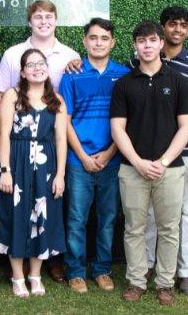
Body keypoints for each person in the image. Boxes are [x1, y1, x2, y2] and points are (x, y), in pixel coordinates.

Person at [110, 20, 188, 306]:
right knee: (134, 227)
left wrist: (163, 160)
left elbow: (186, 127)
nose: (147, 46)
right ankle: (136, 281)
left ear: (161, 44)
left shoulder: (179, 82)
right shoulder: (123, 84)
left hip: (170, 170)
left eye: (152, 40)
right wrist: (137, 162)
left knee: (169, 228)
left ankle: (164, 283)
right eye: (141, 41)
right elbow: (118, 128)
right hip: (131, 169)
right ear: (135, 45)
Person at [134, 6, 188, 295]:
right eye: (171, 24)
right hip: (150, 150)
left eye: (182, 25)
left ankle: (184, 272)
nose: (177, 30)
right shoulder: (141, 59)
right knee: (153, 214)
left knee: (185, 213)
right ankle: (150, 265)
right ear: (162, 29)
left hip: (186, 151)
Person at [59, 18, 129, 294]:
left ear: (112, 42)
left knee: (107, 218)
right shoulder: (72, 76)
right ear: (85, 41)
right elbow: (65, 120)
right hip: (78, 161)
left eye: (104, 38)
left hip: (111, 160)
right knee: (76, 219)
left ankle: (102, 269)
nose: (98, 43)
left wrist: (110, 151)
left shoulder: (123, 76)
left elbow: (127, 121)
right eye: (93, 37)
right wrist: (83, 155)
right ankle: (75, 271)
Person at [0, 48, 67, 297]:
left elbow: (61, 140)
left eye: (41, 63)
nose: (37, 68)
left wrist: (60, 175)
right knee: (17, 216)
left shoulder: (56, 100)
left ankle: (35, 275)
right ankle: (17, 276)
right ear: (22, 72)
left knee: (42, 218)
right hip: (17, 161)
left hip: (46, 166)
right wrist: (5, 170)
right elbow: (3, 134)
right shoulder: (12, 95)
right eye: (31, 64)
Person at [0, 0, 79, 105]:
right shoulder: (11, 54)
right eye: (38, 17)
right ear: (30, 22)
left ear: (56, 21)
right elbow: (1, 97)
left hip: (59, 120)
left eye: (49, 17)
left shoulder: (71, 57)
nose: (44, 21)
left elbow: (78, 99)